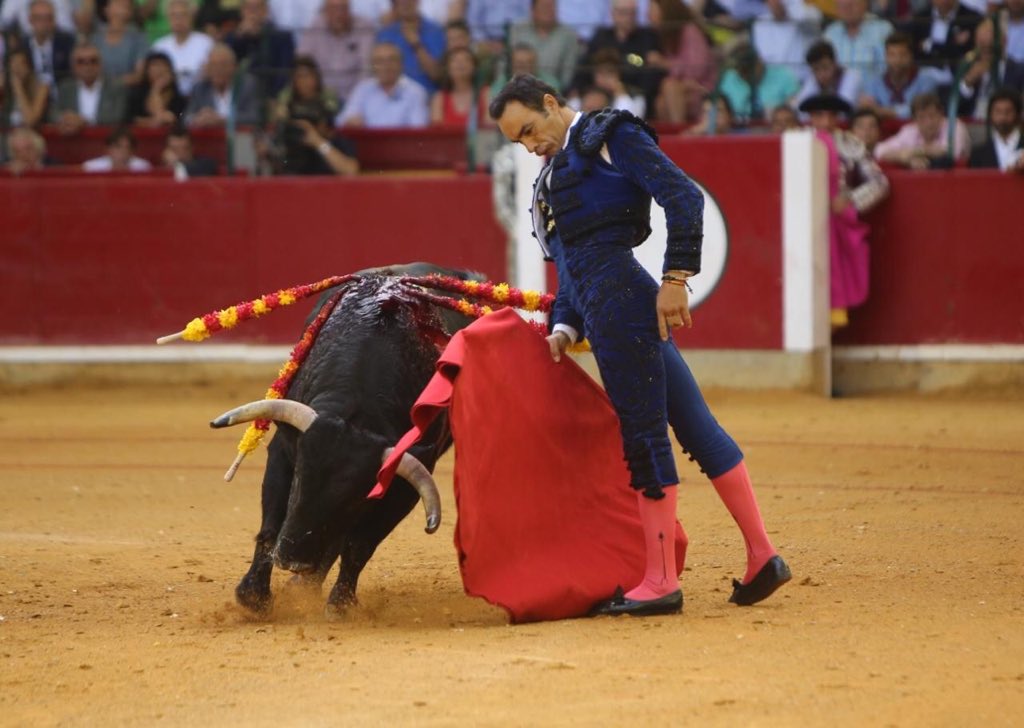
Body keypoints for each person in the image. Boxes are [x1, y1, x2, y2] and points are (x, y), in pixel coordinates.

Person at [489, 74, 791, 616]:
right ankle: (762, 555)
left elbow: (681, 195)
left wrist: (676, 277)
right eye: (519, 141)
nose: (530, 145)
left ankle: (659, 580)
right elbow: (575, 269)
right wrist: (564, 325)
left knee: (645, 437)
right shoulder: (554, 172)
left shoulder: (608, 134)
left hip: (625, 306)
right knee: (697, 429)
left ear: (553, 104)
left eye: (531, 130)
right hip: (610, 309)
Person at [798, 93, 889, 330]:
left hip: (837, 227)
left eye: (831, 116)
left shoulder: (850, 145)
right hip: (802, 227)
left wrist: (850, 200)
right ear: (810, 118)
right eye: (819, 116)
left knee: (833, 291)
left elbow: (880, 183)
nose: (826, 122)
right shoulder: (797, 142)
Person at [649, 0, 717, 125]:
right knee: (660, 102)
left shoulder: (690, 32)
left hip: (701, 88)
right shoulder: (667, 37)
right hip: (683, 88)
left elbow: (697, 70)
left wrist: (664, 63)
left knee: (669, 85)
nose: (649, 16)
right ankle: (671, 139)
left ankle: (679, 133)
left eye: (653, 11)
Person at [296, 0, 375, 104]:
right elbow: (302, 62)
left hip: (355, 98)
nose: (339, 14)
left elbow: (366, 69)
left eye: (343, 8)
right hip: (321, 98)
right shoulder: (315, 27)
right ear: (325, 11)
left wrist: (356, 101)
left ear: (350, 9)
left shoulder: (364, 27)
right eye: (334, 9)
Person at [335, 40, 429, 126]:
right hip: (368, 143)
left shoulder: (416, 92)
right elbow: (341, 121)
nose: (386, 65)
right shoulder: (363, 89)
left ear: (401, 64)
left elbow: (418, 127)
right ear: (372, 66)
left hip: (402, 143)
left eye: (392, 60)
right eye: (379, 61)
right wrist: (350, 122)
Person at [858, 31, 944, 119]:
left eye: (903, 55)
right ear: (885, 57)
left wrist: (884, 112)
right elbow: (868, 110)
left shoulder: (926, 79)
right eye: (892, 55)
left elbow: (921, 110)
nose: (897, 60)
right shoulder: (874, 82)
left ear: (911, 56)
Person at [874, 90, 970, 167]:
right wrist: (904, 159)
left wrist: (915, 152)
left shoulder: (955, 126)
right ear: (914, 120)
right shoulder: (909, 131)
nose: (929, 122)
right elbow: (879, 150)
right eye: (922, 117)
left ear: (941, 114)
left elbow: (951, 152)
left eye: (932, 116)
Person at [50, 41, 128, 133]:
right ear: (73, 65)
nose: (87, 66)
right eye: (81, 62)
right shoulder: (65, 87)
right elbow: (52, 112)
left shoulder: (116, 87)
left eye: (93, 61)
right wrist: (64, 119)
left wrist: (83, 121)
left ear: (101, 64)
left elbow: (118, 116)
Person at [226, 0, 295, 97]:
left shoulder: (282, 37)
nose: (253, 13)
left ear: (266, 11)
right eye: (249, 8)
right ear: (242, 11)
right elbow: (226, 64)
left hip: (268, 96)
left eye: (257, 8)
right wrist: (240, 36)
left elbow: (284, 74)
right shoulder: (233, 38)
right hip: (238, 98)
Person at [184, 42, 264, 126]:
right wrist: (197, 118)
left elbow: (254, 116)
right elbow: (186, 117)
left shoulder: (248, 85)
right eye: (213, 65)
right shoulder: (200, 88)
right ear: (207, 68)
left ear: (234, 67)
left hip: (240, 137)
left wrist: (222, 119)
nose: (218, 70)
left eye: (223, 65)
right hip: (209, 137)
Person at [273, 97, 359, 174]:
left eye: (312, 122)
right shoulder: (291, 140)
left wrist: (318, 142)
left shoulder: (338, 142)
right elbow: (281, 168)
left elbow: (350, 170)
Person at [375, 0, 446, 94]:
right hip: (393, 98)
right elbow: (378, 73)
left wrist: (416, 44)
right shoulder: (385, 34)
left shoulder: (436, 31)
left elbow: (437, 75)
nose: (405, 3)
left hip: (428, 96)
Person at [718, 42, 800, 123]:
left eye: (750, 69)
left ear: (759, 62)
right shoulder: (728, 78)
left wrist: (776, 111)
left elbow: (795, 106)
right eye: (743, 71)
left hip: (772, 129)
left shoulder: (783, 75)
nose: (747, 75)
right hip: (736, 131)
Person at [152, 0, 215, 95]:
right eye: (174, 15)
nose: (178, 20)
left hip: (199, 96)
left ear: (192, 17)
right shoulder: (159, 46)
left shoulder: (206, 43)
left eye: (183, 15)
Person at [822, 0, 894, 80]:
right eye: (843, 6)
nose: (847, 9)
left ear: (865, 4)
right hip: (838, 90)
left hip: (872, 90)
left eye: (852, 5)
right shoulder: (830, 33)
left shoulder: (883, 30)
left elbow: (888, 69)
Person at [794, 40, 863, 119]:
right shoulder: (812, 80)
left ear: (835, 63)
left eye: (825, 67)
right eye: (816, 69)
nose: (821, 74)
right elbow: (801, 113)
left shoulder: (852, 77)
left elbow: (842, 113)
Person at [19, 0, 76, 91]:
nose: (44, 23)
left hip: (61, 95)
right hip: (32, 96)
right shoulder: (21, 46)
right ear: (30, 20)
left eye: (48, 18)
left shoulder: (67, 44)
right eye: (39, 18)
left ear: (54, 20)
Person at [91, 0, 150, 85]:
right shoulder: (96, 37)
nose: (124, 4)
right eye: (118, 2)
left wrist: (112, 84)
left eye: (128, 3)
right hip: (99, 91)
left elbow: (139, 75)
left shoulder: (139, 37)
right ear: (106, 9)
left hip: (127, 91)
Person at [430, 46, 490, 125]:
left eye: (466, 60)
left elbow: (490, 128)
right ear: (447, 68)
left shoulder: (486, 94)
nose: (460, 63)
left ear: (474, 67)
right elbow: (437, 131)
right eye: (455, 60)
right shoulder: (439, 98)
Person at [968, 88, 1024, 172]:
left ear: (1018, 114)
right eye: (998, 112)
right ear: (990, 114)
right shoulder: (978, 154)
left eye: (1008, 112)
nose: (1002, 117)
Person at [125, 50, 187, 126]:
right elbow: (131, 120)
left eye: (163, 65)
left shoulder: (179, 100)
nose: (159, 70)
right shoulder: (136, 96)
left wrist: (156, 89)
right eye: (154, 65)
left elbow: (167, 119)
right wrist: (155, 89)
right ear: (146, 71)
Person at [1, 46, 50, 128]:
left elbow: (30, 121)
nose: (17, 69)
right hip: (7, 136)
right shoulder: (5, 89)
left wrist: (18, 87)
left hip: (32, 137)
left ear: (29, 67)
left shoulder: (42, 88)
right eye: (13, 65)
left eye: (21, 64)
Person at [82, 125, 154, 171]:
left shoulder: (143, 168)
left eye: (127, 147)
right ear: (108, 149)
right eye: (118, 146)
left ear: (132, 151)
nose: (123, 151)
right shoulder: (91, 168)